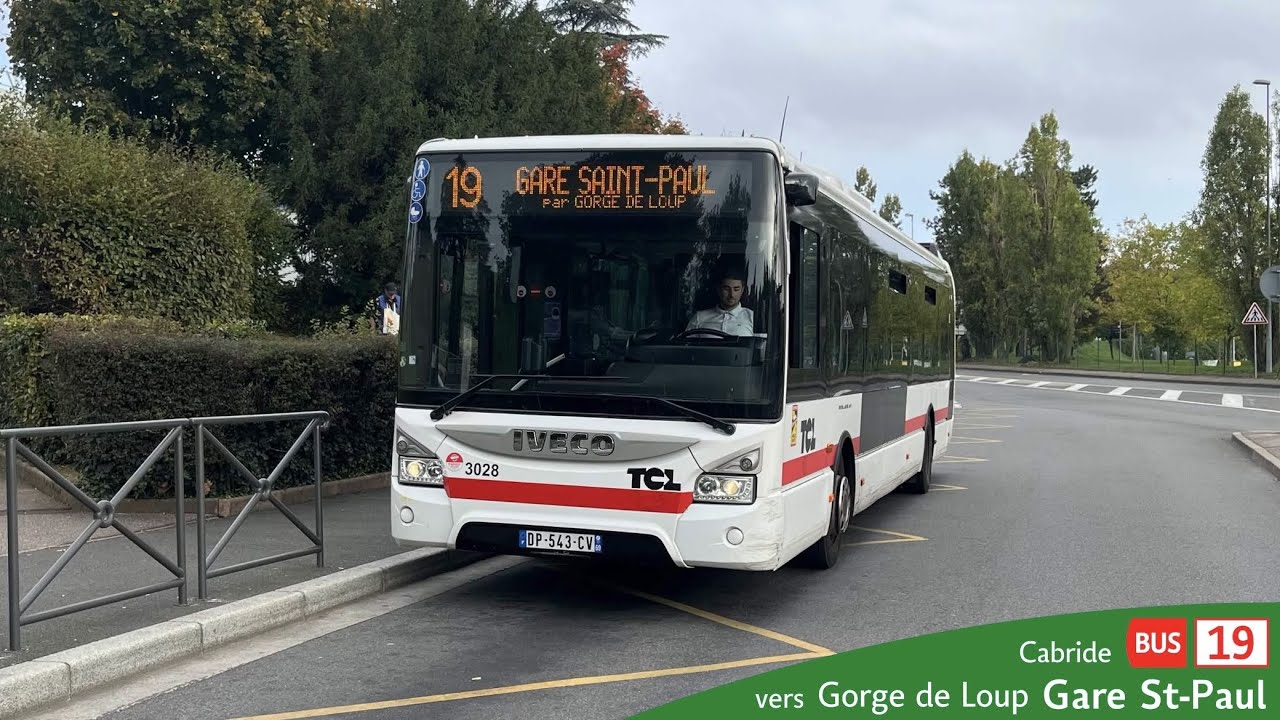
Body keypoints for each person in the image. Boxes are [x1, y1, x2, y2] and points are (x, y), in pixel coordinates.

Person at [685, 269, 755, 336]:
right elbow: (686, 343)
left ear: (742, 290)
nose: (732, 295)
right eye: (726, 289)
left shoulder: (752, 318)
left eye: (736, 289)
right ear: (718, 289)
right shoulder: (699, 318)